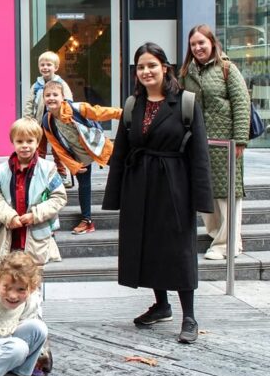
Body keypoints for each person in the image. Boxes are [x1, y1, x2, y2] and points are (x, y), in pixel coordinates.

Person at [104, 43, 213, 343]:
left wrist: (201, 199)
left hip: (175, 184)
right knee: (148, 245)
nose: (146, 71)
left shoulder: (186, 103)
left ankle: (188, 315)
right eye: (141, 67)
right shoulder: (132, 105)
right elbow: (121, 152)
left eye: (152, 65)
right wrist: (114, 195)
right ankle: (161, 305)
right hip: (139, 185)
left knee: (178, 249)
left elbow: (199, 155)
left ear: (165, 67)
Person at [180, 24, 252, 260]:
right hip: (199, 143)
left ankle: (227, 244)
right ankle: (218, 235)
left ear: (212, 43)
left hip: (226, 143)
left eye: (202, 42)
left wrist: (240, 139)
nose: (198, 47)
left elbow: (242, 104)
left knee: (227, 194)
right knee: (205, 191)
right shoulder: (186, 73)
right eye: (193, 44)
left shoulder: (227, 69)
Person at [41, 80, 122, 235]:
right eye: (47, 95)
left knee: (123, 170)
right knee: (84, 187)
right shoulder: (47, 121)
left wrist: (120, 113)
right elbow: (58, 148)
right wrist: (73, 166)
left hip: (98, 147)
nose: (51, 98)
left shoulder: (76, 108)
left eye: (55, 95)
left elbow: (99, 112)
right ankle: (87, 221)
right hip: (78, 158)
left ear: (63, 97)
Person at [0, 117, 67, 264]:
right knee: (10, 277)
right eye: (20, 141)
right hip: (9, 235)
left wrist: (35, 215)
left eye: (30, 141)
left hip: (36, 236)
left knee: (34, 277)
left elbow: (58, 197)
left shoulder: (48, 169)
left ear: (37, 143)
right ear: (13, 142)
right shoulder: (2, 170)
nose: (25, 146)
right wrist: (9, 216)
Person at [23, 51, 73, 187]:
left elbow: (68, 101)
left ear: (56, 67)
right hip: (39, 123)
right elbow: (29, 103)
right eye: (42, 65)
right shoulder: (36, 85)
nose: (45, 67)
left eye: (48, 65)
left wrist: (66, 117)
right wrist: (28, 120)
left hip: (57, 123)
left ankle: (62, 174)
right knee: (39, 149)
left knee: (58, 149)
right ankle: (38, 173)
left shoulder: (61, 84)